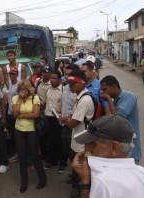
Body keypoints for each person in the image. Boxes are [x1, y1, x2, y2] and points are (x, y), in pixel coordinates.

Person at [72, 114, 144, 198]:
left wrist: (85, 183)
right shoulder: (143, 172)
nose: (87, 149)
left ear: (114, 148)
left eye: (92, 144)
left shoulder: (102, 182)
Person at [58, 69, 94, 198]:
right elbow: (73, 116)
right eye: (69, 83)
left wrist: (66, 120)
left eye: (73, 84)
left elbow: (73, 123)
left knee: (81, 169)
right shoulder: (79, 98)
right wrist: (67, 118)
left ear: (81, 83)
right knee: (76, 166)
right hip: (77, 139)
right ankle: (76, 186)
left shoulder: (84, 100)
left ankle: (81, 190)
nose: (70, 86)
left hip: (82, 142)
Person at [12, 79, 47, 193]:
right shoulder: (15, 98)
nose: (22, 92)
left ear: (29, 90)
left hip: (31, 130)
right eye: (20, 89)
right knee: (22, 157)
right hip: (19, 131)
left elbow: (35, 114)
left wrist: (21, 115)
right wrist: (20, 102)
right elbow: (15, 114)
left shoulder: (34, 98)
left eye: (24, 89)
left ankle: (42, 179)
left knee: (34, 155)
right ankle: (24, 182)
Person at [100, 75, 141, 164]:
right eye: (102, 90)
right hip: (122, 149)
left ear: (114, 86)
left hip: (131, 151)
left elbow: (118, 118)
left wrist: (108, 100)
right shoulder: (116, 100)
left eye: (105, 89)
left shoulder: (129, 97)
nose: (103, 92)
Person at [43, 70, 66, 173]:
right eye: (51, 78)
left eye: (54, 78)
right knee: (51, 141)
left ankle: (63, 163)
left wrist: (60, 110)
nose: (51, 80)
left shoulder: (64, 90)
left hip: (59, 119)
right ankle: (53, 161)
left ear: (59, 79)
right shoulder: (48, 89)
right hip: (48, 118)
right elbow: (45, 103)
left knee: (60, 142)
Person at [60, 64, 79, 178]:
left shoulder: (77, 90)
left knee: (74, 150)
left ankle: (77, 177)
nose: (66, 77)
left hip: (74, 125)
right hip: (64, 123)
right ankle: (74, 171)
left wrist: (68, 118)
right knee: (66, 147)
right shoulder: (66, 87)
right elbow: (65, 105)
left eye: (69, 74)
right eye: (65, 74)